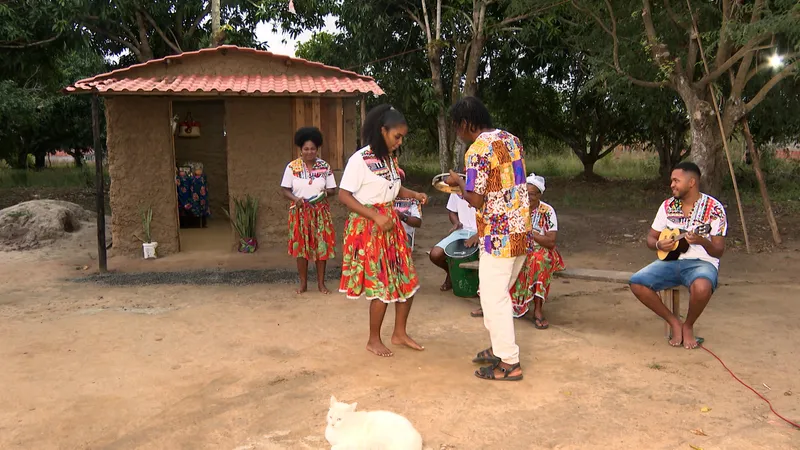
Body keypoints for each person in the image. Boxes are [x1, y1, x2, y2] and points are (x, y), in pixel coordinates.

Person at [445, 96, 531, 382]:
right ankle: (499, 348)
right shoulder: (511, 140)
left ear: (466, 123)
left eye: (457, 126)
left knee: (494, 299)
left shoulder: (477, 150)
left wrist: (457, 181)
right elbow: (505, 182)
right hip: (520, 231)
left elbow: (476, 199)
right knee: (497, 294)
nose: (457, 133)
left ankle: (509, 363)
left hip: (497, 235)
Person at [338, 104, 428, 357]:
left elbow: (393, 189)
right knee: (382, 285)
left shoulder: (389, 160)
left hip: (390, 226)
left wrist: (414, 194)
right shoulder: (359, 160)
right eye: (397, 136)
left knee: (406, 279)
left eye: (402, 138)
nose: (399, 142)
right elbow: (344, 195)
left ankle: (399, 333)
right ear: (382, 131)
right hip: (369, 229)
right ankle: (373, 340)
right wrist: (375, 216)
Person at [629, 161, 727, 349]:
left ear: (691, 183)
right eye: (672, 180)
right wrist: (658, 244)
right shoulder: (667, 206)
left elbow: (718, 250)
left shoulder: (714, 209)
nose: (672, 184)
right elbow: (650, 238)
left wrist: (702, 241)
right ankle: (674, 322)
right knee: (637, 282)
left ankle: (688, 325)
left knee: (702, 287)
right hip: (670, 261)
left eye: (676, 180)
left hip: (702, 262)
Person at [471, 173, 565, 329]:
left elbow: (550, 242)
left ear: (540, 195)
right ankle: (489, 305)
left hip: (541, 249)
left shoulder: (547, 211)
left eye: (532, 194)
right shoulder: (515, 207)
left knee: (538, 261)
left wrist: (530, 233)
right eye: (525, 193)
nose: (527, 197)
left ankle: (538, 310)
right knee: (499, 257)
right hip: (518, 245)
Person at [280, 127, 337, 294]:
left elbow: (333, 189)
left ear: (317, 149)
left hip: (320, 213)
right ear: (300, 149)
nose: (309, 152)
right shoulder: (292, 167)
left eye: (312, 148)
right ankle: (303, 284)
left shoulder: (324, 167)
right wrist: (295, 199)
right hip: (299, 213)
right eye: (306, 149)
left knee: (321, 248)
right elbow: (285, 190)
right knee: (301, 249)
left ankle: (321, 284)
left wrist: (326, 193)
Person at [428, 193, 478, 291]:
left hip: (482, 232)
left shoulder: (481, 187)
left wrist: (479, 234)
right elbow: (452, 212)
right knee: (435, 254)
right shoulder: (455, 191)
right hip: (462, 231)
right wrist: (456, 223)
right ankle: (452, 273)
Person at [393, 168, 423, 250]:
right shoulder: (382, 199)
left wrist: (402, 216)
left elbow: (418, 222)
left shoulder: (411, 200)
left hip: (404, 235)